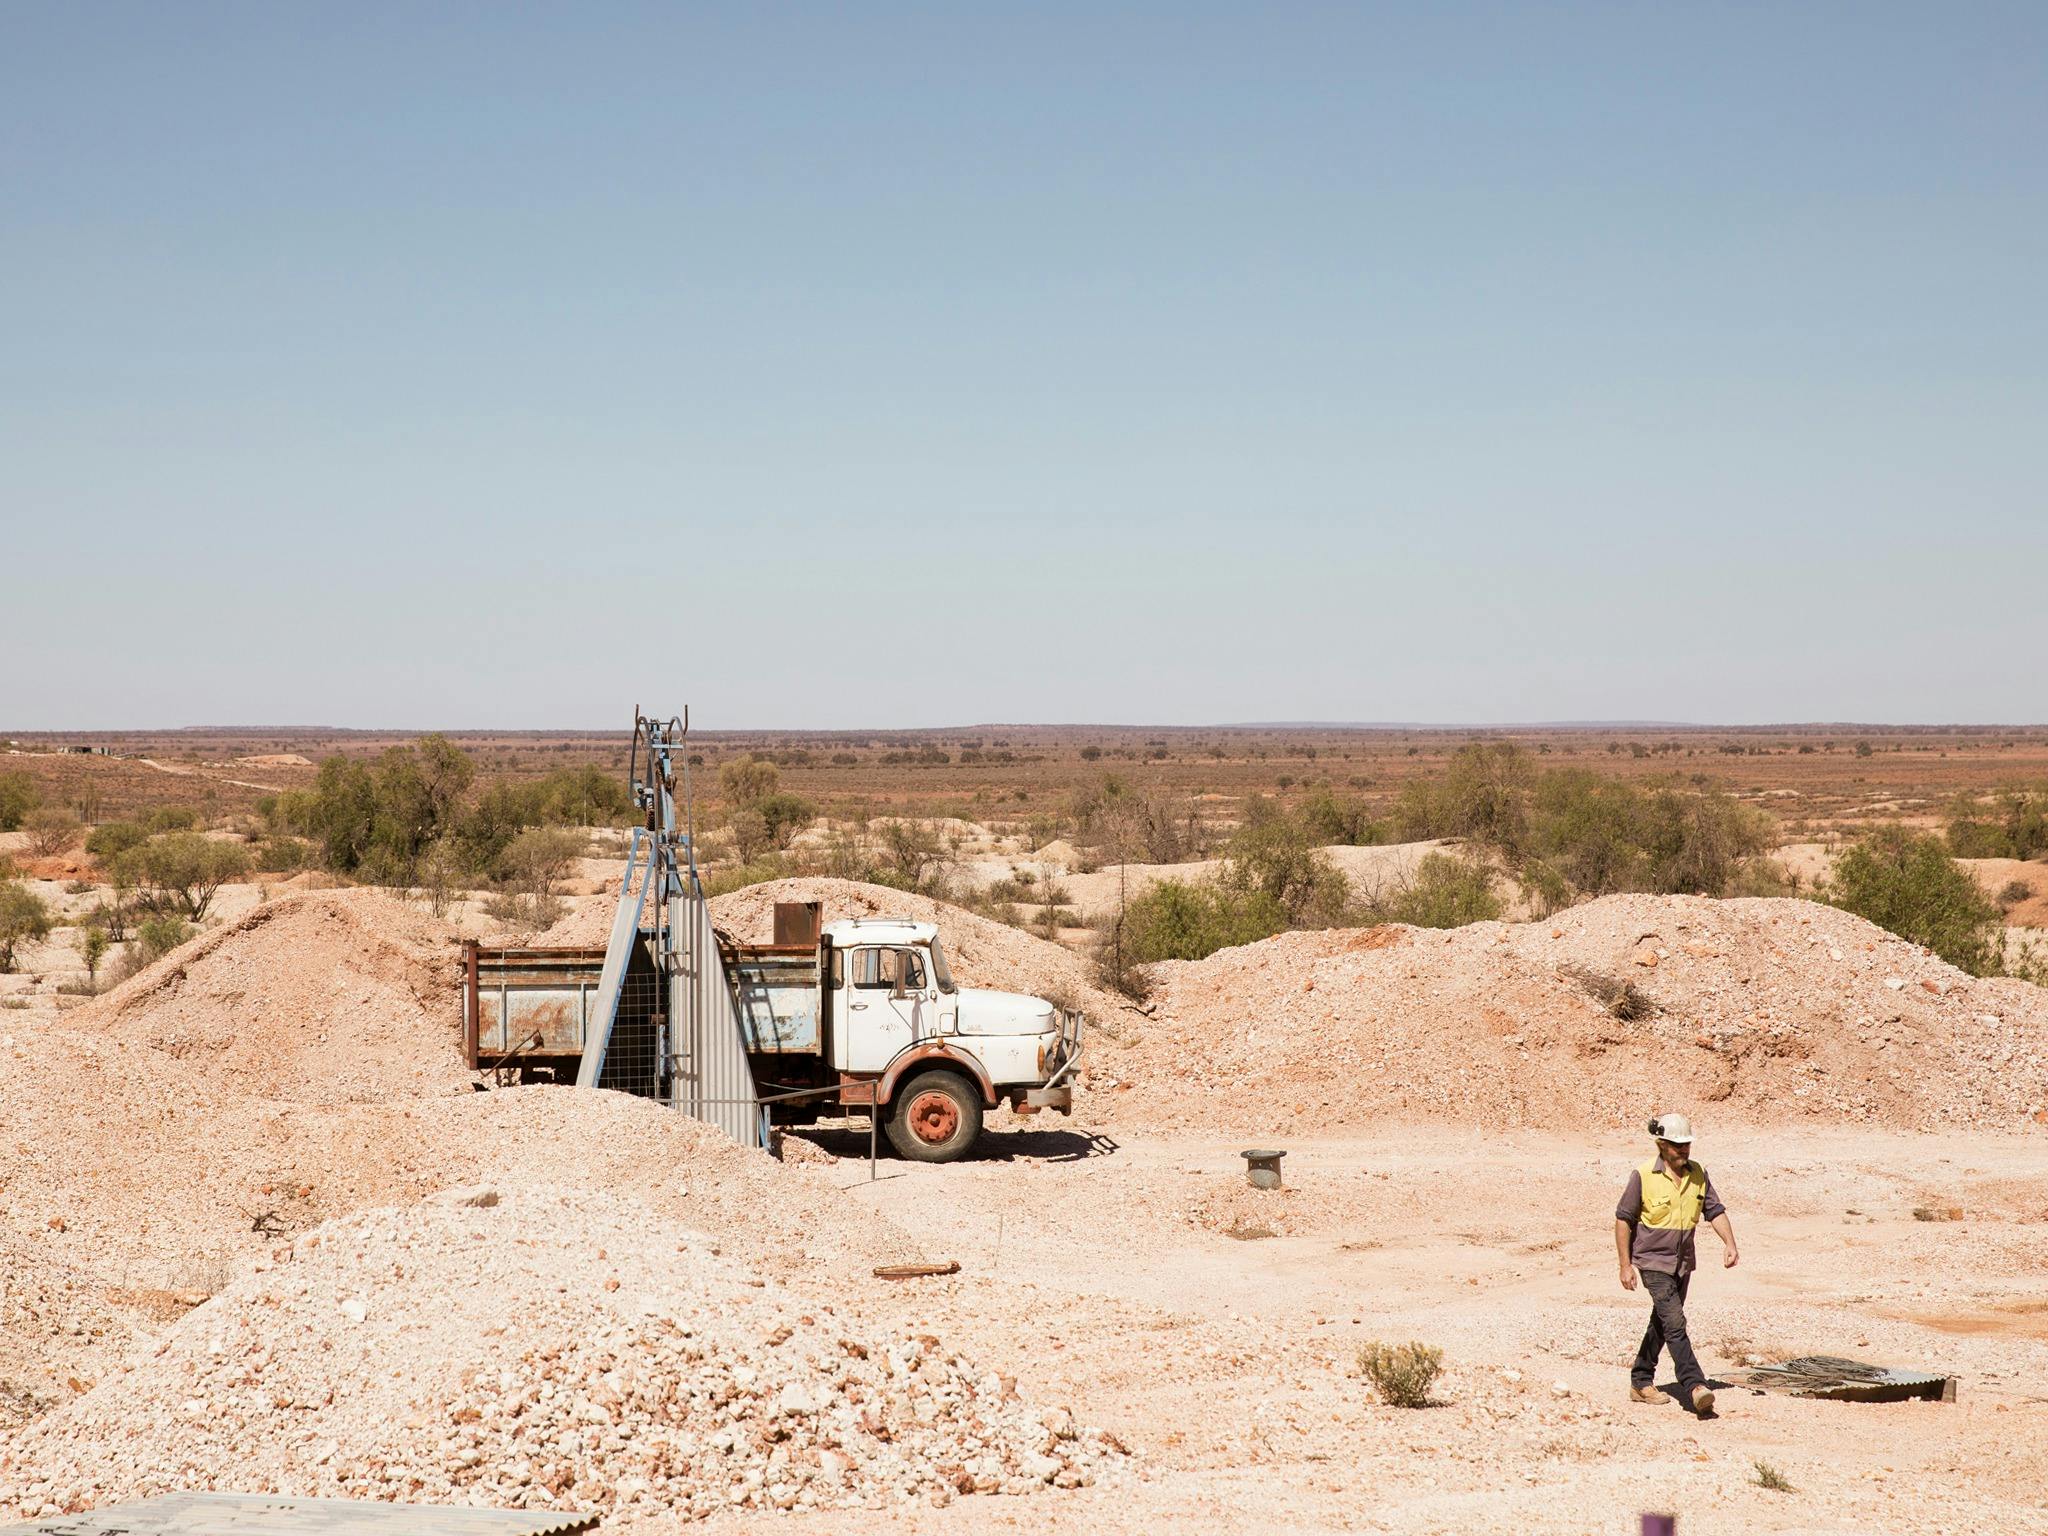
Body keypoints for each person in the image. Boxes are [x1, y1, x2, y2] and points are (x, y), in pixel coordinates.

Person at [1614, 1112, 1738, 1417]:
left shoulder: (1699, 1174)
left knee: (1662, 1322)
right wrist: (1625, 1265)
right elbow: (1623, 1220)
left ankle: (1640, 1381)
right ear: (1661, 1144)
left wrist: (1730, 1243)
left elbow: (1715, 1210)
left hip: (1683, 1263)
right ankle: (1695, 1385)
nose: (1683, 1150)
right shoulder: (1642, 1176)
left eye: (1686, 1145)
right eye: (1676, 1146)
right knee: (1675, 1322)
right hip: (1653, 1262)